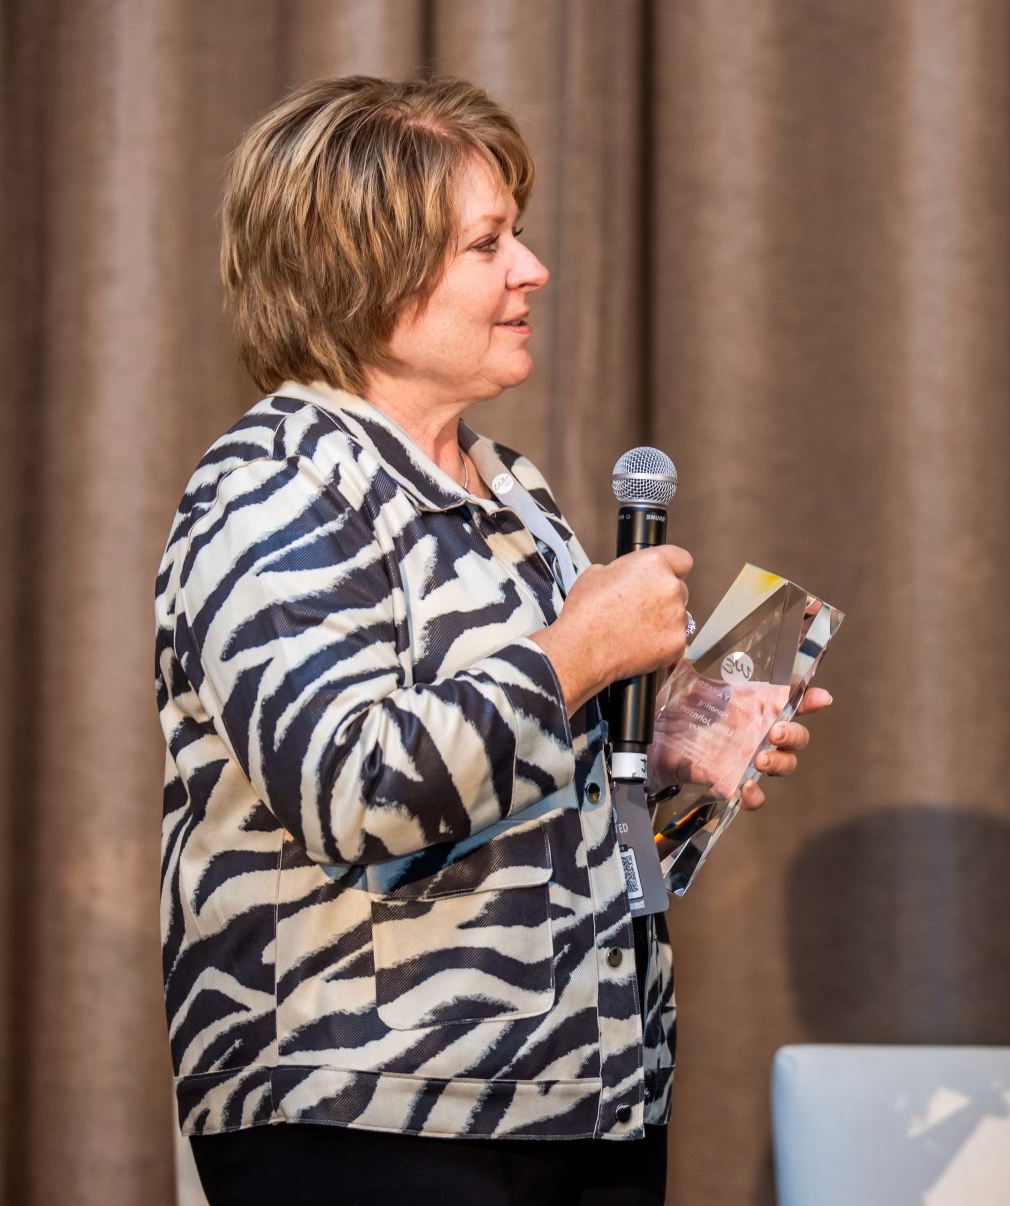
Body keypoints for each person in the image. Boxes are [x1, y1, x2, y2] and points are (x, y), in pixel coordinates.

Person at [155, 74, 829, 1205]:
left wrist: (657, 758)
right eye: (488, 243)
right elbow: (348, 784)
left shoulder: (513, 488)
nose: (532, 270)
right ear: (361, 270)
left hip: (585, 1099)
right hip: (372, 1115)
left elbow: (504, 770)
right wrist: (576, 655)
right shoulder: (271, 485)